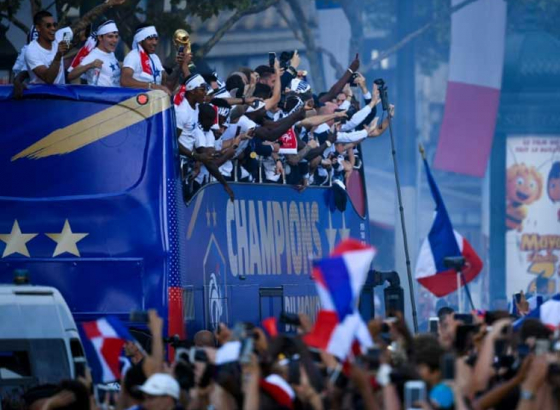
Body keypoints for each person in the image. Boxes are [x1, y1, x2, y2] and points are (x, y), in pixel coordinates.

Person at [121, 24, 188, 95]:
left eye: (156, 39)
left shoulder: (154, 58)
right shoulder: (133, 56)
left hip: (156, 102)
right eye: (150, 39)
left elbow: (167, 83)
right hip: (137, 102)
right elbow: (125, 81)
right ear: (140, 40)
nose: (155, 42)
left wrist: (180, 65)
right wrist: (152, 86)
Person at [67, 20, 121, 86]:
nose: (115, 40)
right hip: (101, 95)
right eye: (110, 36)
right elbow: (70, 75)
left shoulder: (111, 53)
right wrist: (90, 65)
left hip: (116, 95)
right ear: (100, 37)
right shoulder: (93, 55)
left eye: (116, 36)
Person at [24, 10, 70, 85]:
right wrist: (58, 56)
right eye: (48, 26)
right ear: (38, 28)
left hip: (62, 95)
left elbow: (79, 26)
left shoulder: (58, 38)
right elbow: (48, 79)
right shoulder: (31, 50)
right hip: (43, 95)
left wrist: (76, 40)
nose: (53, 28)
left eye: (54, 25)